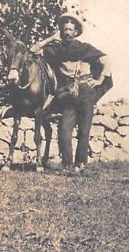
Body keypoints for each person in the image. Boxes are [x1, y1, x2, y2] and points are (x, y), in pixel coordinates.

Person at [32, 13, 113, 173]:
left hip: (85, 89)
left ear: (76, 32)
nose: (67, 32)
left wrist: (99, 80)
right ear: (61, 32)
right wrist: (50, 39)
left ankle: (80, 164)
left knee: (84, 129)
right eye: (64, 29)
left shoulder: (84, 48)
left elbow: (106, 59)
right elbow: (33, 51)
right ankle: (68, 165)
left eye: (70, 29)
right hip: (68, 92)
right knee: (64, 129)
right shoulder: (55, 49)